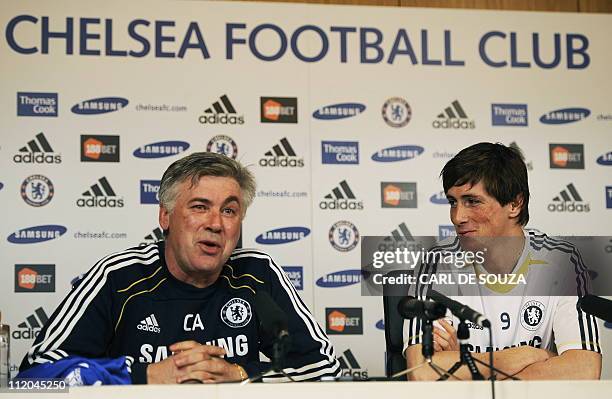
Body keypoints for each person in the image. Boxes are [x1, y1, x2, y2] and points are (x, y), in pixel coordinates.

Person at [19, 152, 341, 384]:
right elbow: (36, 373)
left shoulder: (258, 275)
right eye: (200, 207)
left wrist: (241, 375)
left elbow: (324, 368)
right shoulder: (118, 277)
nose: (216, 224)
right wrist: (144, 376)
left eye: (229, 211)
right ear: (165, 217)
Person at [403, 142, 601, 380]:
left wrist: (467, 368)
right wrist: (526, 356)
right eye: (453, 202)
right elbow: (422, 372)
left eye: (472, 201)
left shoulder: (563, 262)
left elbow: (584, 370)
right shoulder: (435, 263)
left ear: (515, 204)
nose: (457, 217)